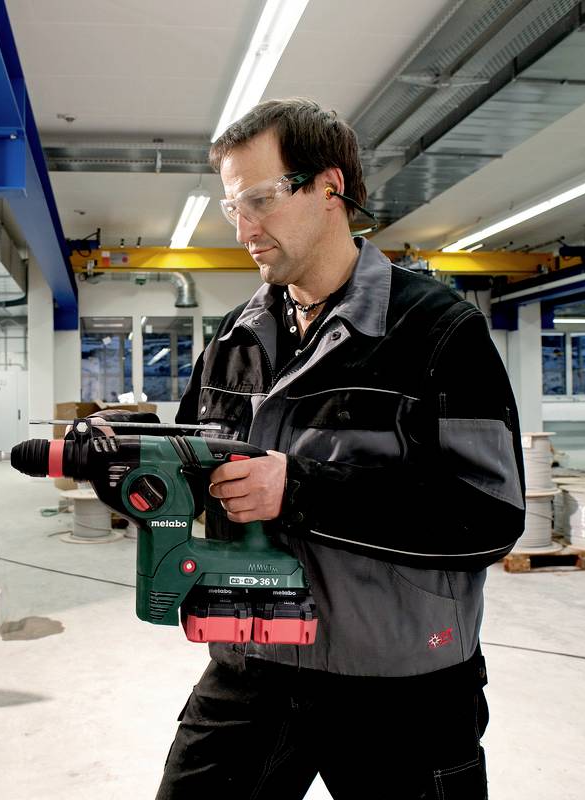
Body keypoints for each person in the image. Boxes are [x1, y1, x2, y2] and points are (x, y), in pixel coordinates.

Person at [156, 98, 526, 799]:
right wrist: (137, 469)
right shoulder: (235, 338)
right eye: (233, 208)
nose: (245, 228)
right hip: (256, 657)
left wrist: (298, 489)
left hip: (402, 684)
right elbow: (194, 460)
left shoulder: (439, 334)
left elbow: (487, 515)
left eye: (260, 200)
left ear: (329, 189)